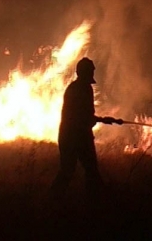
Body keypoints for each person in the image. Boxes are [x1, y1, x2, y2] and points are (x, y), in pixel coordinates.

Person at [51, 57, 122, 199]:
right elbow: (83, 116)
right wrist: (104, 120)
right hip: (76, 137)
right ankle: (92, 201)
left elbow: (85, 116)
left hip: (71, 135)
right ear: (85, 73)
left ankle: (55, 199)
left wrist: (103, 120)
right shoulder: (81, 90)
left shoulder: (77, 88)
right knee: (82, 170)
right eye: (91, 71)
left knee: (79, 170)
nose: (93, 74)